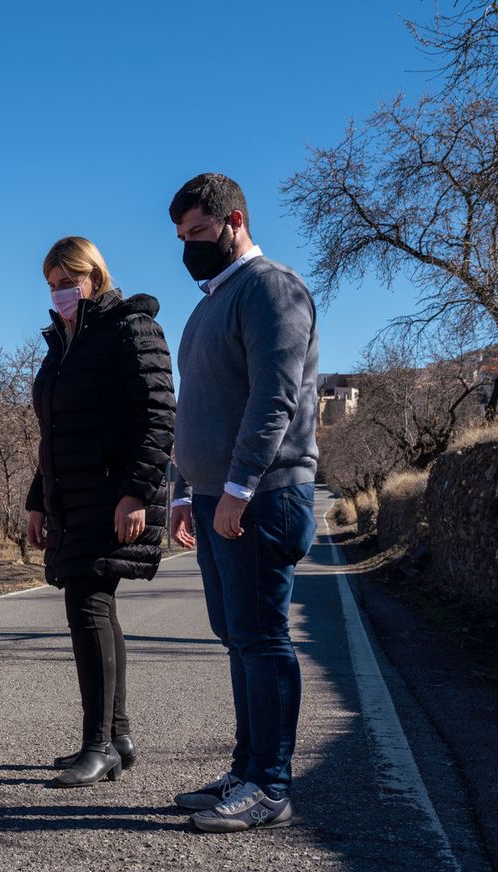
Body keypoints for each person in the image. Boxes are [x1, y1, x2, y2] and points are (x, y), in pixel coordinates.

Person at [165, 173, 320, 833]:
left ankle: (271, 786)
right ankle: (245, 769)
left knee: (261, 638)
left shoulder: (270, 289)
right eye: (180, 237)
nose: (189, 247)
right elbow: (193, 408)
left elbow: (274, 397)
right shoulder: (208, 306)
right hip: (210, 498)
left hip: (262, 497)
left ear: (235, 220)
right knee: (238, 639)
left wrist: (238, 487)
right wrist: (182, 490)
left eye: (198, 233)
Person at [26, 237, 175, 788]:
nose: (59, 293)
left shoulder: (130, 328)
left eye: (68, 282)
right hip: (72, 495)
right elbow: (55, 433)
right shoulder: (63, 341)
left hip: (112, 494)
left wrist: (135, 493)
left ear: (96, 277)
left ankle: (98, 745)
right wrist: (37, 500)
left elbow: (158, 416)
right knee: (97, 608)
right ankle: (118, 736)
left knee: (86, 606)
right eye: (51, 284)